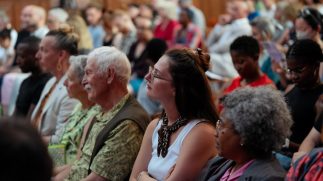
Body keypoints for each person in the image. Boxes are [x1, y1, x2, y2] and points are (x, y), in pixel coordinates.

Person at [130, 48, 218, 180]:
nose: (147, 77)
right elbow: (132, 179)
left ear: (177, 87)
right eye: (151, 70)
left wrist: (142, 177)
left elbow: (137, 176)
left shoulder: (201, 132)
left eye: (156, 74)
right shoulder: (155, 125)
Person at [65, 46, 149, 181]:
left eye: (88, 73)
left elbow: (98, 180)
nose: (83, 81)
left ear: (109, 75)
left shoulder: (128, 123)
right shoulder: (100, 110)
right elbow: (78, 165)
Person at [201, 86, 292, 181]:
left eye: (222, 125)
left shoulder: (269, 178)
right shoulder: (222, 162)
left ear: (244, 136)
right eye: (218, 123)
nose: (216, 133)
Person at [31, 24, 79, 145]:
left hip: (53, 157)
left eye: (44, 50)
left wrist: (26, 141)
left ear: (61, 55)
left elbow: (62, 139)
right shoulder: (51, 82)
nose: (37, 55)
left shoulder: (72, 89)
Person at [48, 55, 100, 166]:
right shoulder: (78, 107)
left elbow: (79, 162)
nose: (64, 83)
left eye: (70, 79)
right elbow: (62, 146)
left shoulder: (96, 114)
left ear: (84, 83)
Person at [284, 39, 323, 154]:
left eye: (299, 70)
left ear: (316, 65)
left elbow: (317, 149)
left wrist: (286, 144)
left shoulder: (320, 101)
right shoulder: (290, 88)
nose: (293, 76)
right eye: (290, 70)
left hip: (296, 159)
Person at [220, 36, 275, 100]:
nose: (237, 67)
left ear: (255, 57)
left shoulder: (268, 90)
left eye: (241, 62)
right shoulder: (231, 83)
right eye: (234, 63)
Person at [13, 36, 51, 119]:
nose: (17, 61)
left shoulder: (45, 83)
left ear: (37, 56)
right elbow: (15, 115)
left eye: (22, 56)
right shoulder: (25, 82)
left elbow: (30, 120)